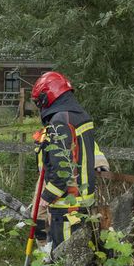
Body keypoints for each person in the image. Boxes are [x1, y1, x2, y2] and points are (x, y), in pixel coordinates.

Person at [31, 71, 98, 250]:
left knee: (66, 257)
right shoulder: (80, 116)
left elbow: (62, 169)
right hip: (84, 198)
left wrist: (47, 196)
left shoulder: (59, 122)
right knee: (81, 252)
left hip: (66, 203)